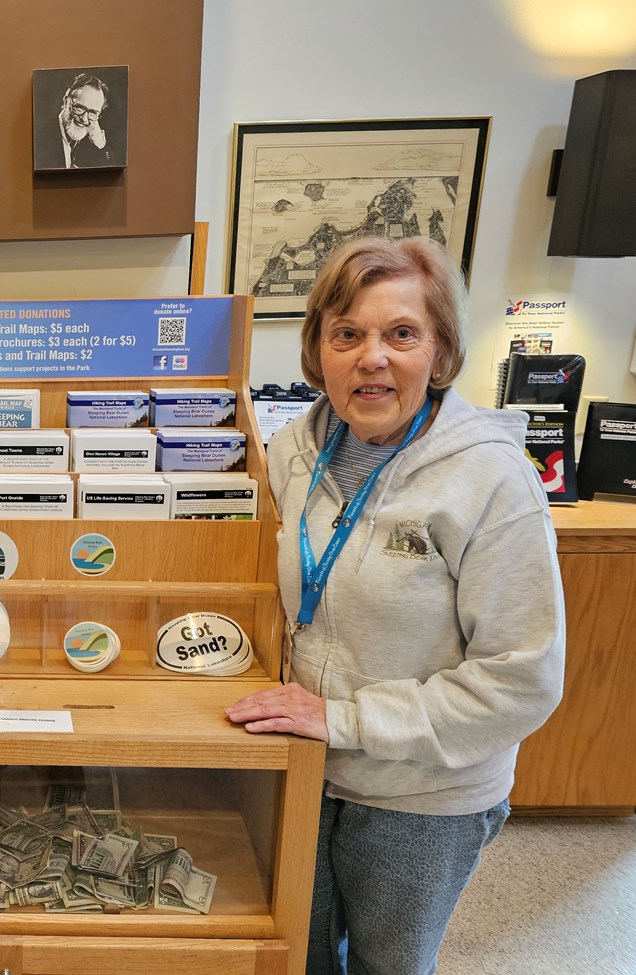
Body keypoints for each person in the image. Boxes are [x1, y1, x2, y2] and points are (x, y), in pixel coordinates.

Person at [225, 235, 565, 975]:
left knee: (388, 965)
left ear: (440, 351)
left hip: (422, 794)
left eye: (401, 333)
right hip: (305, 767)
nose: (370, 357)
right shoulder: (291, 451)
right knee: (298, 956)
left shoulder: (490, 479)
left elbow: (523, 678)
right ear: (319, 348)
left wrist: (346, 718)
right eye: (347, 333)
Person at [36, 73, 114, 170]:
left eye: (93, 112)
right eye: (80, 108)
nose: (84, 119)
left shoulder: (91, 141)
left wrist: (98, 138)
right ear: (66, 102)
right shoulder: (40, 139)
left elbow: (109, 172)